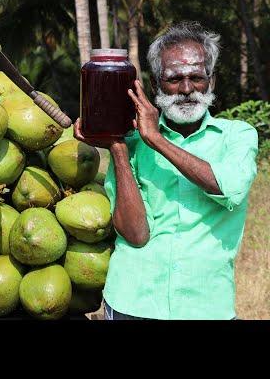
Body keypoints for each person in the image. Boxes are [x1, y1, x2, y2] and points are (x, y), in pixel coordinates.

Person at [74, 22, 258, 320]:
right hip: (132, 302)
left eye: (197, 77)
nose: (187, 89)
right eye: (174, 79)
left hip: (205, 307)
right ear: (156, 83)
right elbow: (136, 234)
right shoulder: (131, 143)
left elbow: (229, 188)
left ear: (212, 82)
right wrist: (118, 149)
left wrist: (156, 140)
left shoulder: (237, 135)